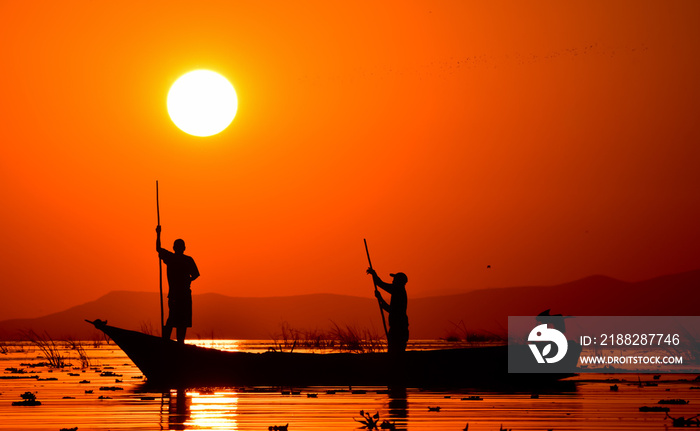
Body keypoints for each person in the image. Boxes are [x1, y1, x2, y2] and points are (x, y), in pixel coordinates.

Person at [156, 225, 200, 343]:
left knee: (178, 320)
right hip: (179, 295)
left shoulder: (176, 258)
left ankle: (172, 342)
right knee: (176, 320)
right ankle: (173, 342)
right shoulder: (176, 258)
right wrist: (158, 233)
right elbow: (196, 275)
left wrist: (158, 233)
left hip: (180, 294)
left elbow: (158, 249)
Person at [366, 268, 409, 354]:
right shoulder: (399, 291)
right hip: (399, 327)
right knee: (397, 351)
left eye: (395, 279)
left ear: (399, 282)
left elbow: (380, 284)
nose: (393, 281)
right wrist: (380, 298)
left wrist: (374, 274)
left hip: (398, 328)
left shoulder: (398, 290)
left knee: (395, 352)